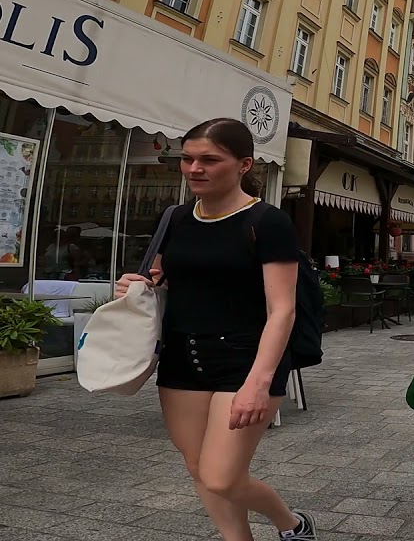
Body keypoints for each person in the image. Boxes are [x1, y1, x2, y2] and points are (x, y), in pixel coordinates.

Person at [113, 118, 317, 541]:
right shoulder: (174, 218)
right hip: (182, 357)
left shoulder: (267, 221)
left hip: (245, 358)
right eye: (187, 158)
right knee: (197, 467)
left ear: (244, 164)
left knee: (221, 475)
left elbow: (282, 310)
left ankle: (292, 524)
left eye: (209, 159)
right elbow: (163, 279)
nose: (194, 168)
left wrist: (258, 383)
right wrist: (139, 285)